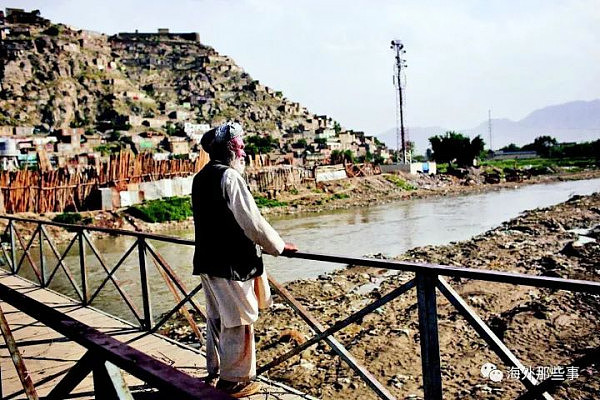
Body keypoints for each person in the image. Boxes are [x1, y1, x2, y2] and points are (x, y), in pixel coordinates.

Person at [192, 122, 298, 398]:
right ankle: (235, 381)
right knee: (238, 320)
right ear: (230, 148)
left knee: (217, 318)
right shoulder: (229, 178)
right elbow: (252, 222)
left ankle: (216, 370)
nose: (244, 150)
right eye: (240, 144)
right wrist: (277, 246)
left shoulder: (200, 177)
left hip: (208, 261)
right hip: (230, 264)